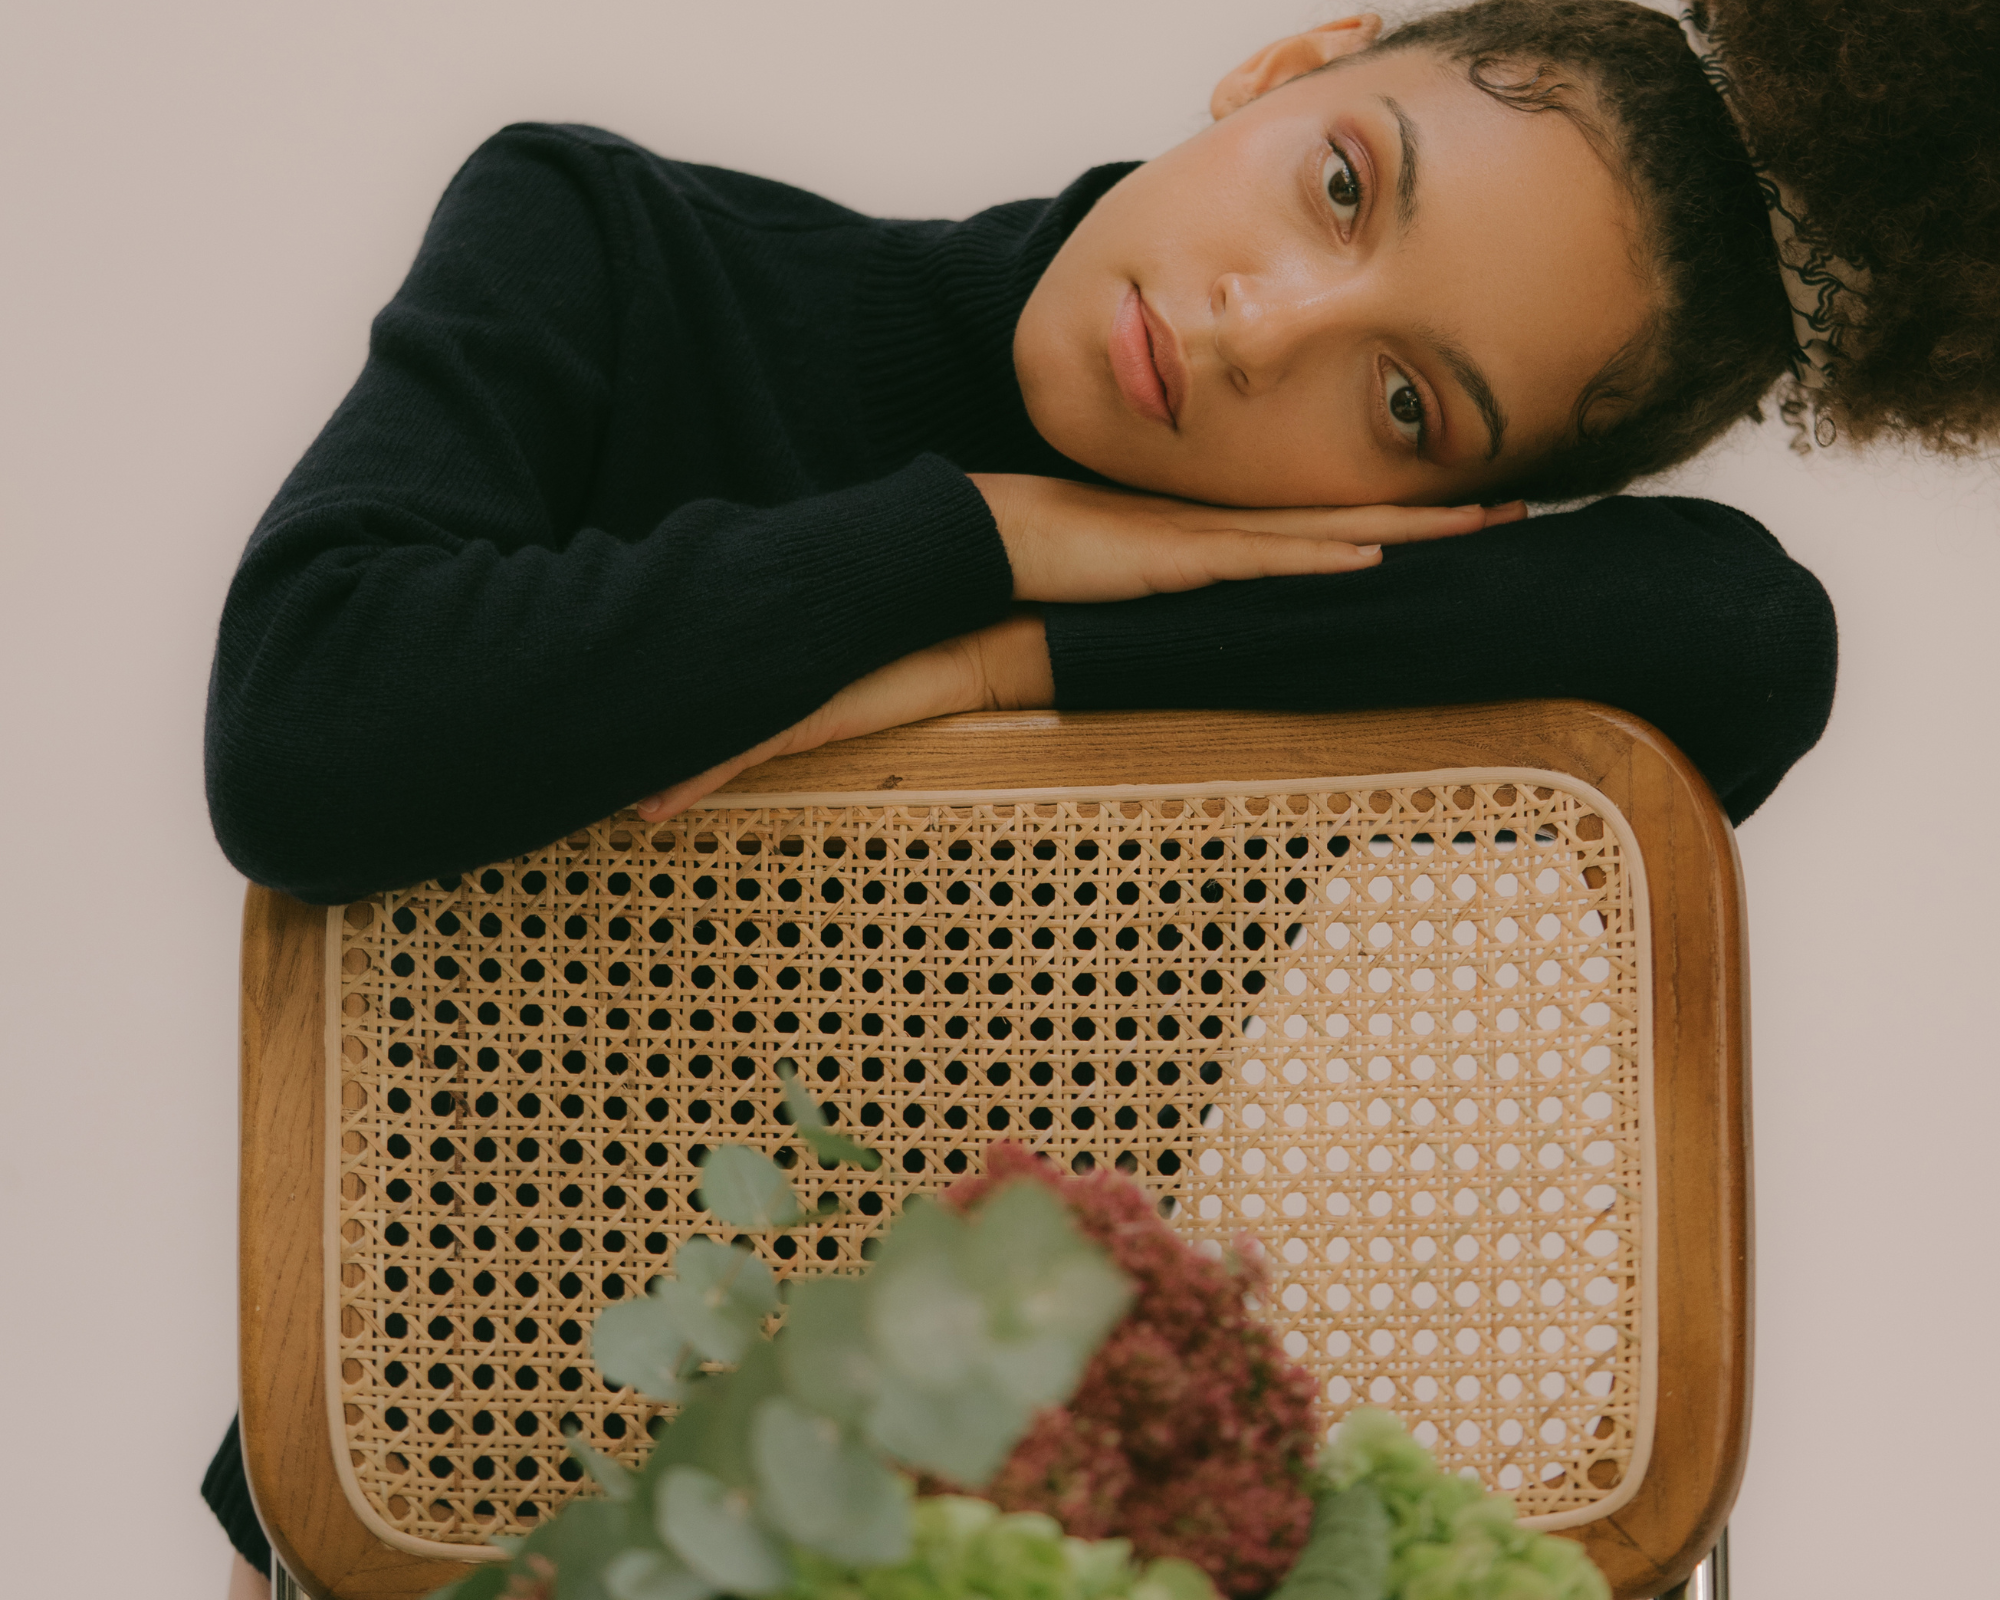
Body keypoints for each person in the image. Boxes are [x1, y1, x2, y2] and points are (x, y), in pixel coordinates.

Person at [201, 0, 1998, 1589]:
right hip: (399, 1535)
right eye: (1344, 186)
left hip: (933, 1560)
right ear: (1292, 64)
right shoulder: (607, 242)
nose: (1260, 329)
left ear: (1457, 520)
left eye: (1403, 404)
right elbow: (303, 726)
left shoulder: (1316, 613)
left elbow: (1746, 636)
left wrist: (1011, 661)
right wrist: (972, 534)